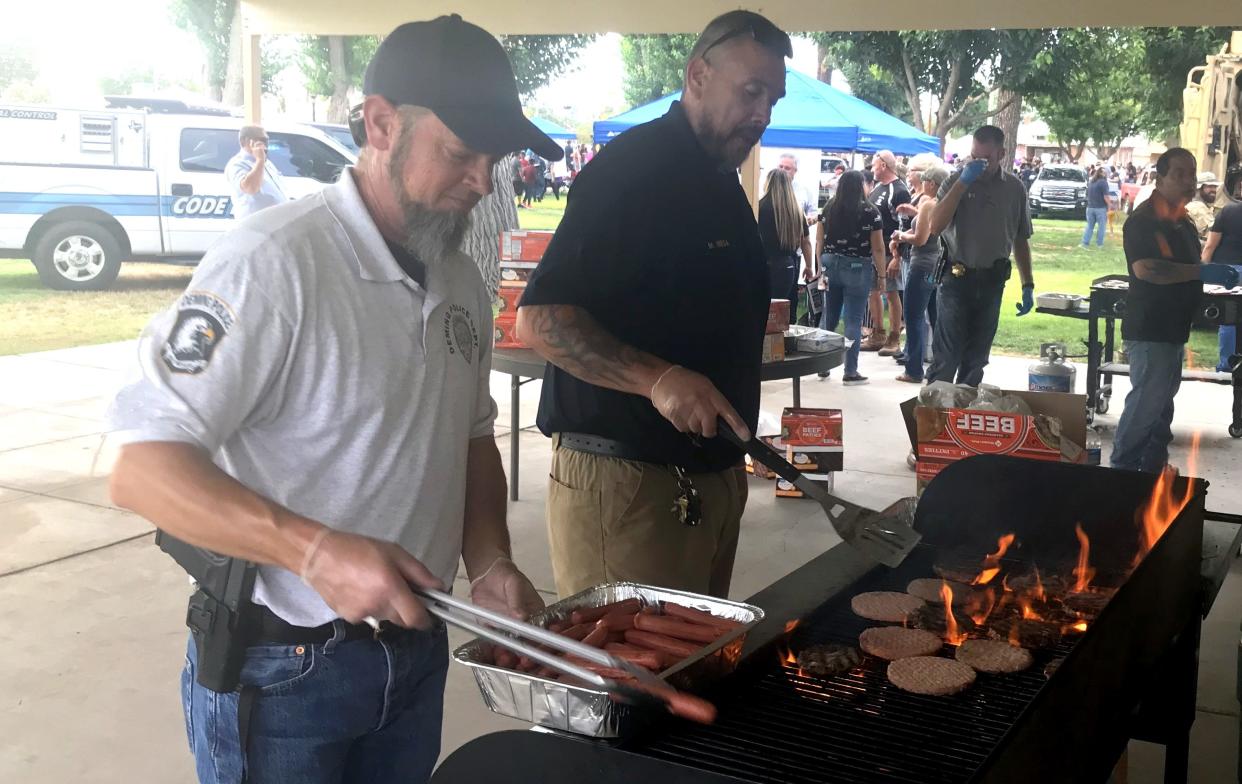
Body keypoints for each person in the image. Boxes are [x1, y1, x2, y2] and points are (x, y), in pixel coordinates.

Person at [107, 16, 558, 783]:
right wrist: (313, 552)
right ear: (382, 124)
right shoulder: (272, 263)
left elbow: (471, 436)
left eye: (495, 159)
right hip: (281, 666)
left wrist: (489, 559)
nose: (484, 182)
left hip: (415, 649)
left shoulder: (458, 280)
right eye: (460, 153)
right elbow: (140, 467)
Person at [515, 11, 791, 599]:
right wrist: (658, 379)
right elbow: (540, 319)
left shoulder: (719, 179)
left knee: (695, 679)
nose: (764, 113)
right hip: (628, 484)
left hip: (709, 479)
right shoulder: (631, 172)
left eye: (774, 98)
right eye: (751, 91)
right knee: (631, 688)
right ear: (697, 76)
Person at [1110, 148, 1240, 472]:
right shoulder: (1143, 220)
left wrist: (1208, 273)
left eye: (1191, 174)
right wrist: (1200, 272)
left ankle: (1154, 478)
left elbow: (1188, 265)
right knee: (1145, 405)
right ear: (1160, 177)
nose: (1188, 181)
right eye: (1178, 174)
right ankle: (1122, 475)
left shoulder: (1181, 219)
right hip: (1150, 328)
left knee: (1161, 409)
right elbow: (1147, 269)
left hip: (1173, 328)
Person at [926, 125, 1035, 386]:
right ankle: (933, 418)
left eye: (985, 159)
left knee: (976, 360)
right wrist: (963, 183)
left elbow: (1021, 240)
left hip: (992, 281)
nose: (978, 164)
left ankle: (963, 418)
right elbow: (935, 226)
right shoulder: (955, 181)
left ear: (1001, 154)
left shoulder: (1014, 189)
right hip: (956, 278)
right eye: (974, 157)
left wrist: (1027, 284)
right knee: (947, 357)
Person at [816, 169, 885, 385]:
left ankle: (823, 365)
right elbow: (879, 248)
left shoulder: (829, 208)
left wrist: (819, 267)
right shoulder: (870, 211)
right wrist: (881, 276)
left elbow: (820, 240)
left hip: (830, 263)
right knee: (853, 319)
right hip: (857, 266)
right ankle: (851, 370)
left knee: (830, 316)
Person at [891, 165, 950, 383]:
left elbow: (920, 239)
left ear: (932, 183)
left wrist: (900, 236)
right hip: (937, 266)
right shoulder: (946, 205)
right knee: (936, 317)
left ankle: (913, 369)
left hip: (921, 264)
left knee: (914, 315)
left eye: (924, 180)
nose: (921, 184)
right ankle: (940, 368)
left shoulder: (928, 204)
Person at [861, 150, 910, 355]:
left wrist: (897, 257)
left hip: (890, 251)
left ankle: (894, 337)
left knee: (891, 292)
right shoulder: (877, 188)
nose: (872, 169)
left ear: (883, 165)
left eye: (874, 165)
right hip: (873, 250)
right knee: (873, 291)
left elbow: (904, 224)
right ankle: (877, 332)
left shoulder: (898, 190)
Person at [758, 168, 814, 311]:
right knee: (781, 311)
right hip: (787, 265)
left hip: (763, 263)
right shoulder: (795, 210)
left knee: (761, 309)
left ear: (768, 183)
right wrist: (808, 266)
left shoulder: (759, 207)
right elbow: (805, 241)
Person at [1201, 198, 1242, 370]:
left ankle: (1226, 364)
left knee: (1228, 319)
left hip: (1228, 272)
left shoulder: (1228, 211)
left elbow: (1210, 245)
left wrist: (1202, 271)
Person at [225, 125, 288, 219]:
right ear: (245, 141)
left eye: (266, 140)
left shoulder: (266, 162)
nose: (265, 144)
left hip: (274, 223)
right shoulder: (237, 164)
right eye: (261, 140)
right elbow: (250, 188)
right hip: (256, 225)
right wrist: (259, 160)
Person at [1184, 171, 1223, 242]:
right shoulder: (1197, 207)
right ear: (1199, 188)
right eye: (1210, 186)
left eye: (1215, 186)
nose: (1214, 190)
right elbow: (1212, 237)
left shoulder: (1202, 206)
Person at [777, 153, 817, 219]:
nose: (782, 170)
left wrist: (811, 218)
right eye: (780, 167)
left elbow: (813, 212)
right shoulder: (766, 188)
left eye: (787, 168)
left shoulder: (804, 190)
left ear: (795, 171)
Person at [1082, 167, 1112, 248]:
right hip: (1100, 208)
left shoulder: (1091, 181)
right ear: (1104, 174)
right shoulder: (1103, 182)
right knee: (1102, 227)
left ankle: (1085, 243)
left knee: (1089, 226)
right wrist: (1110, 205)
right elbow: (1106, 196)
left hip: (1090, 207)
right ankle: (1099, 244)